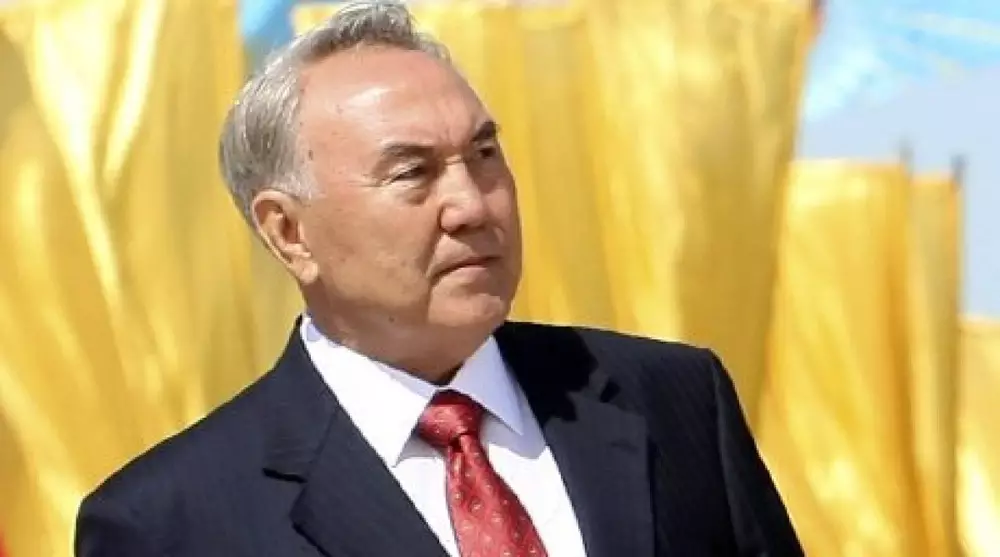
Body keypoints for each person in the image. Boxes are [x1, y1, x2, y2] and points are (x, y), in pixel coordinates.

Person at [75, 1, 802, 555]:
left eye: (484, 155)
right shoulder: (171, 521)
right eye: (412, 173)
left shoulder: (672, 399)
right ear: (289, 232)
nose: (472, 205)